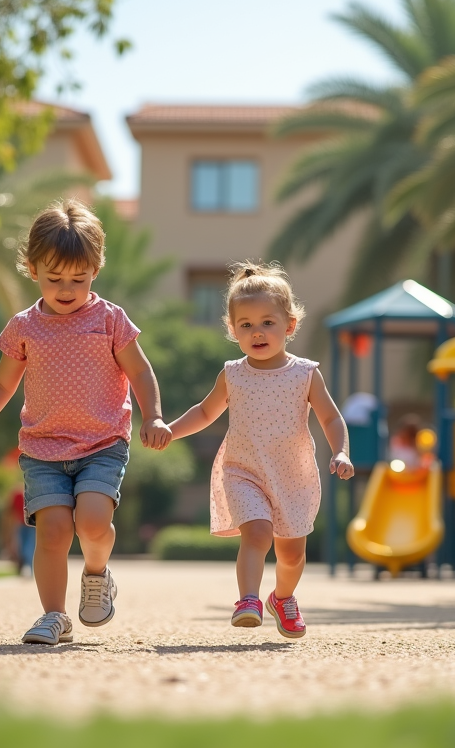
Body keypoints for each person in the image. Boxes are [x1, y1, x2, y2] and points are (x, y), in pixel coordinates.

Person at [0, 199, 171, 645]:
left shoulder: (109, 319)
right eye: (54, 279)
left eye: (79, 278)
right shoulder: (24, 327)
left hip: (102, 443)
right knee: (52, 530)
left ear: (96, 269)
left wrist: (155, 416)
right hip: (43, 448)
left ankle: (96, 573)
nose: (67, 288)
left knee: (91, 522)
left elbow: (140, 371)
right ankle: (54, 615)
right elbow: (1, 384)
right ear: (32, 270)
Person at [166, 261, 354, 638]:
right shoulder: (233, 373)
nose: (257, 332)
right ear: (232, 330)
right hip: (243, 470)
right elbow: (205, 411)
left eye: (267, 322)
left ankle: (282, 598)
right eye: (246, 325)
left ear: (289, 325)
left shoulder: (305, 373)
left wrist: (341, 451)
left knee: (292, 555)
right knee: (256, 535)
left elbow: (331, 418)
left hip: (293, 475)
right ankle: (248, 600)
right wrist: (171, 431)